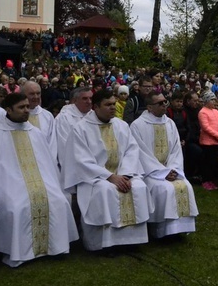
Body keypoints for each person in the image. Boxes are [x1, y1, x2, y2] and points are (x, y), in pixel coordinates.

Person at [0, 93, 78, 267]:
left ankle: (55, 248)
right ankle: (19, 252)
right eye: (21, 107)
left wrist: (52, 184)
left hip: (41, 181)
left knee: (57, 200)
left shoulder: (35, 132)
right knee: (17, 206)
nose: (26, 110)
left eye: (27, 106)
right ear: (8, 109)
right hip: (9, 184)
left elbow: (47, 164)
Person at [62, 90, 152, 251]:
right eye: (108, 104)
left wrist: (124, 175)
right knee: (105, 191)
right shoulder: (81, 129)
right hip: (94, 179)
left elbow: (132, 150)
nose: (113, 107)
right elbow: (81, 161)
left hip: (123, 173)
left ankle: (132, 240)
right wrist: (110, 176)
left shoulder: (121, 125)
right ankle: (105, 244)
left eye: (114, 104)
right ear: (96, 107)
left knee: (139, 187)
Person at [130, 92, 198, 238]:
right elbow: (141, 154)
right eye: (160, 103)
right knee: (165, 189)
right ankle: (162, 230)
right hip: (150, 172)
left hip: (170, 169)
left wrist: (173, 169)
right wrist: (162, 172)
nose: (164, 105)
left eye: (165, 102)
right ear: (149, 107)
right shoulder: (137, 125)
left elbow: (175, 150)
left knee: (186, 186)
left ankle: (179, 229)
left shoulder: (170, 123)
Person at [21, 81, 57, 163]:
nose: (36, 97)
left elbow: (52, 143)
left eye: (38, 93)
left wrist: (51, 162)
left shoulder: (47, 116)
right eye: (32, 94)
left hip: (45, 161)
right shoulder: (16, 115)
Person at [198, 90, 218, 190]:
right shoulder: (202, 112)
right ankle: (205, 180)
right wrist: (217, 135)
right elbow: (206, 127)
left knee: (213, 162)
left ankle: (212, 180)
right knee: (207, 163)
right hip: (207, 142)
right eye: (212, 100)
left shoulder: (216, 111)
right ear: (206, 101)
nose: (214, 102)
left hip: (216, 141)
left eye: (215, 100)